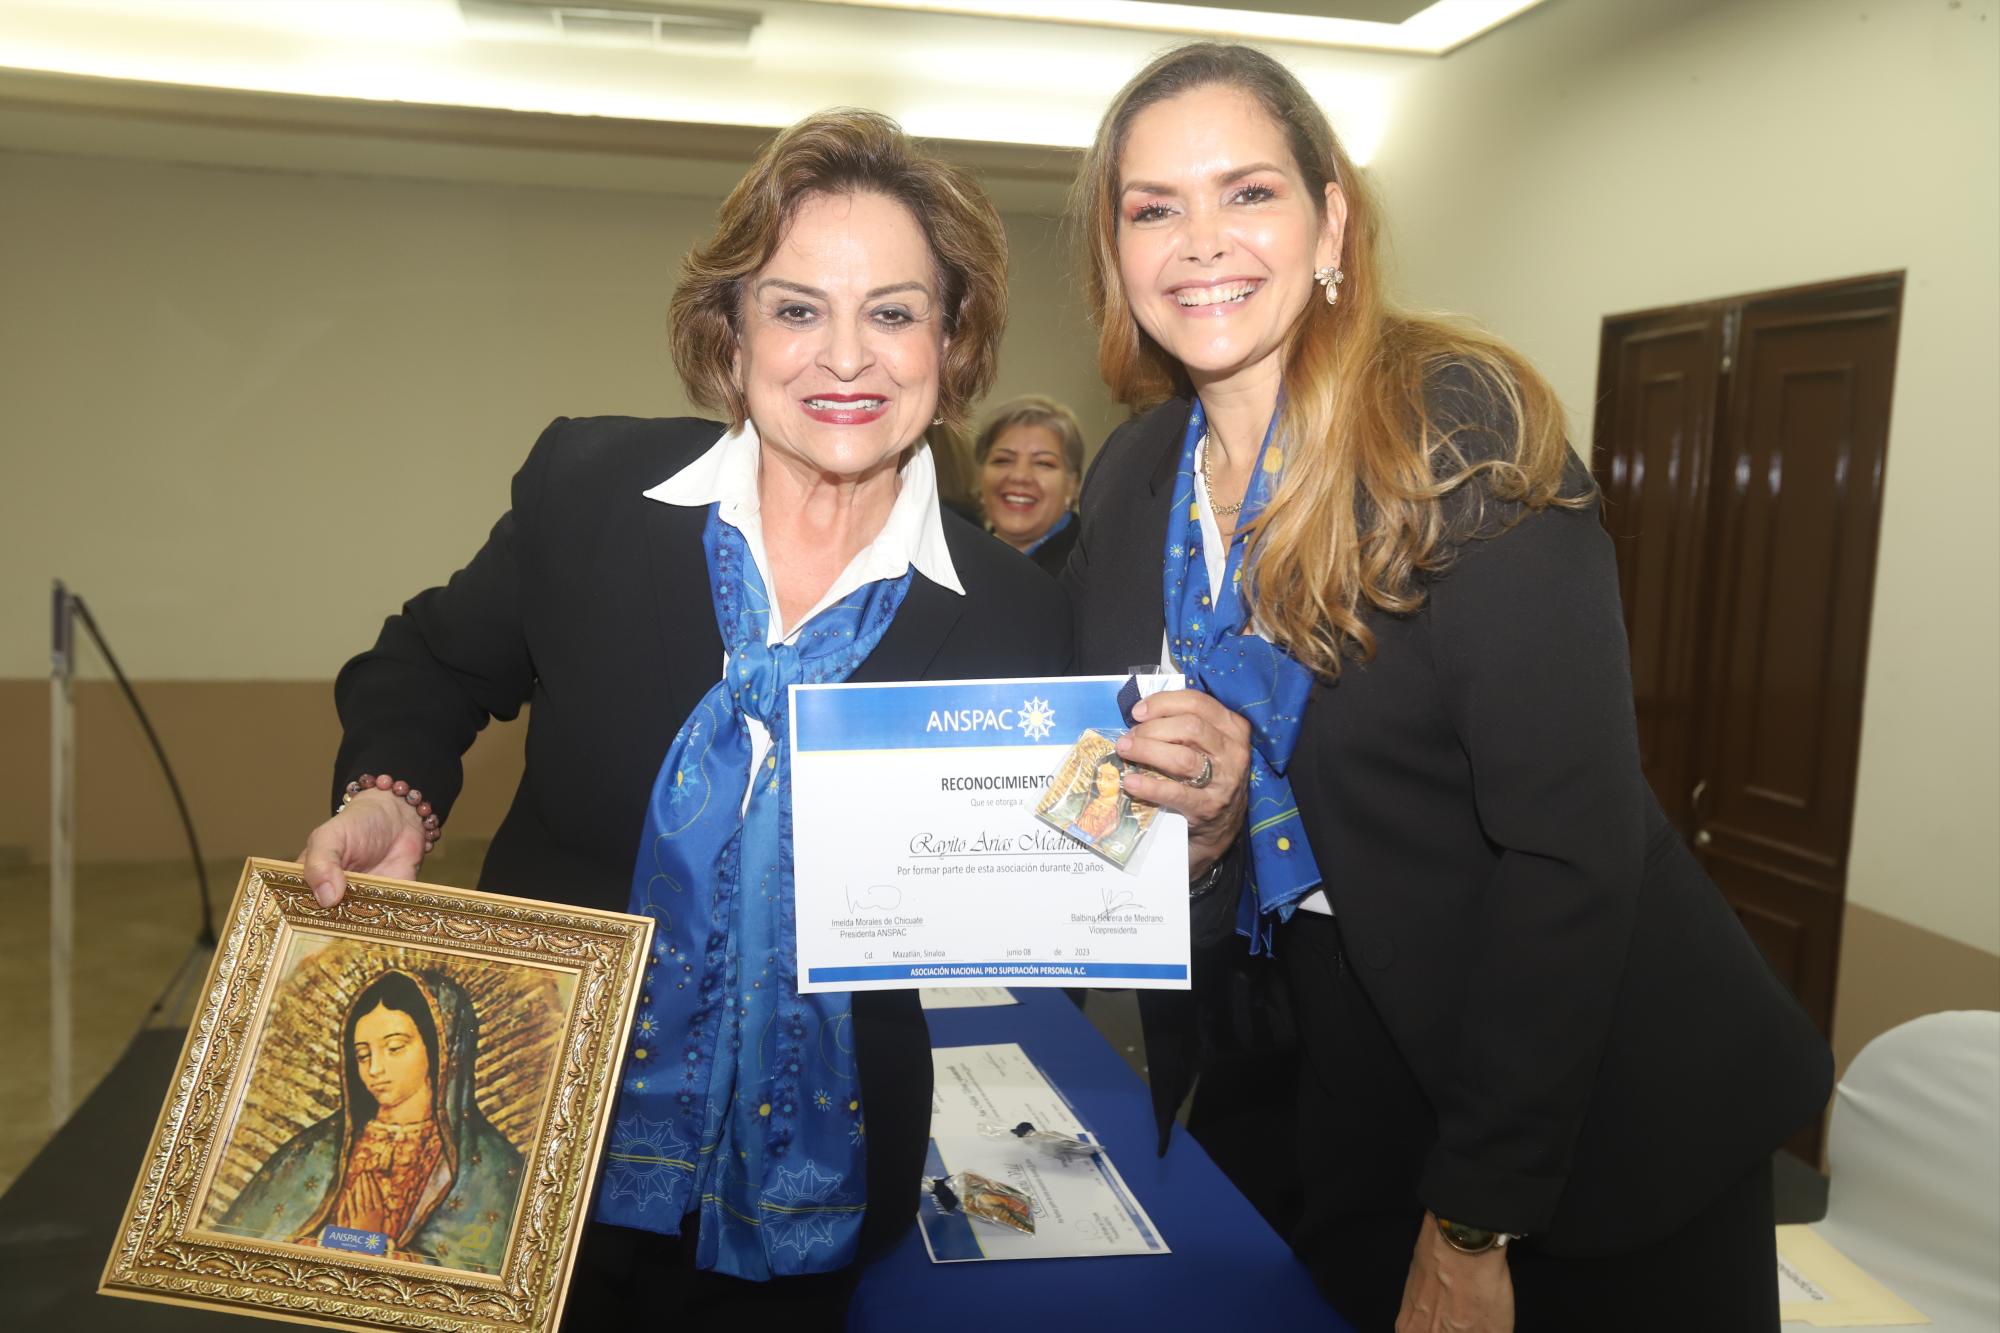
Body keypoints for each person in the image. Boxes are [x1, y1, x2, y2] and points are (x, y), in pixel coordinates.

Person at [1060, 43, 1832, 1332]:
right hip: (1327, 1056)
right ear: (1115, 247)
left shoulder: (1452, 437)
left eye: (1246, 192)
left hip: (1584, 1100)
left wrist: (1474, 1218)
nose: (1199, 241)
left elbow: (1569, 855)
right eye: (1153, 207)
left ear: (1332, 223)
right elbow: (1149, 798)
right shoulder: (1134, 481)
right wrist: (1196, 839)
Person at [296, 109, 1069, 1326]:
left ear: (952, 340)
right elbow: (427, 663)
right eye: (798, 306)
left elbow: (1056, 869)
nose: (845, 357)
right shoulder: (592, 496)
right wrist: (389, 793)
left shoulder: (1015, 616)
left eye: (894, 310)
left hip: (825, 1169)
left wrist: (1175, 822)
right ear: (732, 328)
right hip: (533, 1138)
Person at [216, 969, 522, 1274]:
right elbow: (237, 1251)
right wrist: (352, 1242)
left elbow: (479, 1277)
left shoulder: (490, 1165)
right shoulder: (316, 1150)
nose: (375, 1069)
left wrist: (368, 1243)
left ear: (441, 1047)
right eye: (363, 1055)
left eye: (395, 1048)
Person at [972, 394, 1085, 575]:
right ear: (980, 476)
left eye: (1043, 463)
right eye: (1002, 460)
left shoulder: (1090, 571)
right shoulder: (954, 557)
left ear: (1073, 485)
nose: (1020, 476)